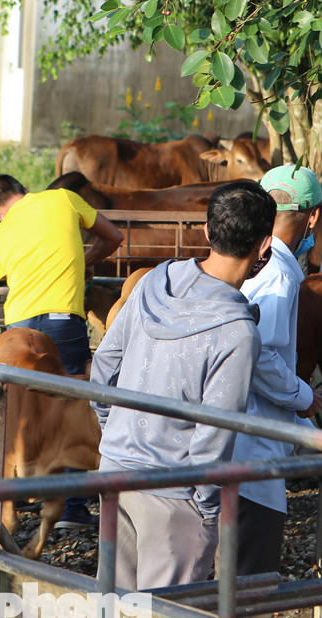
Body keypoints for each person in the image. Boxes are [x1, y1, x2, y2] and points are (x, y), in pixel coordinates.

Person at [90, 180, 276, 590]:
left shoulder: (152, 282)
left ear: (207, 231)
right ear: (265, 246)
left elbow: (103, 368)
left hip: (114, 472)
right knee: (168, 617)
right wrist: (207, 509)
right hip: (175, 496)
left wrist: (118, 436)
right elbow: (215, 433)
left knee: (114, 611)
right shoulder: (238, 332)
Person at [0, 172, 123, 530]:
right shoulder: (60, 198)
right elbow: (114, 236)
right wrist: (86, 259)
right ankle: (73, 507)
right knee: (71, 404)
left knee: (19, 406)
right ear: (26, 191)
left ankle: (13, 498)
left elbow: (15, 278)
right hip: (64, 319)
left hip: (17, 327)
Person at [230, 165, 322, 606]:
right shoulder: (280, 274)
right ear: (313, 219)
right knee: (251, 586)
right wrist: (304, 398)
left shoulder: (251, 260)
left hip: (235, 435)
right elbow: (262, 356)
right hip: (253, 451)